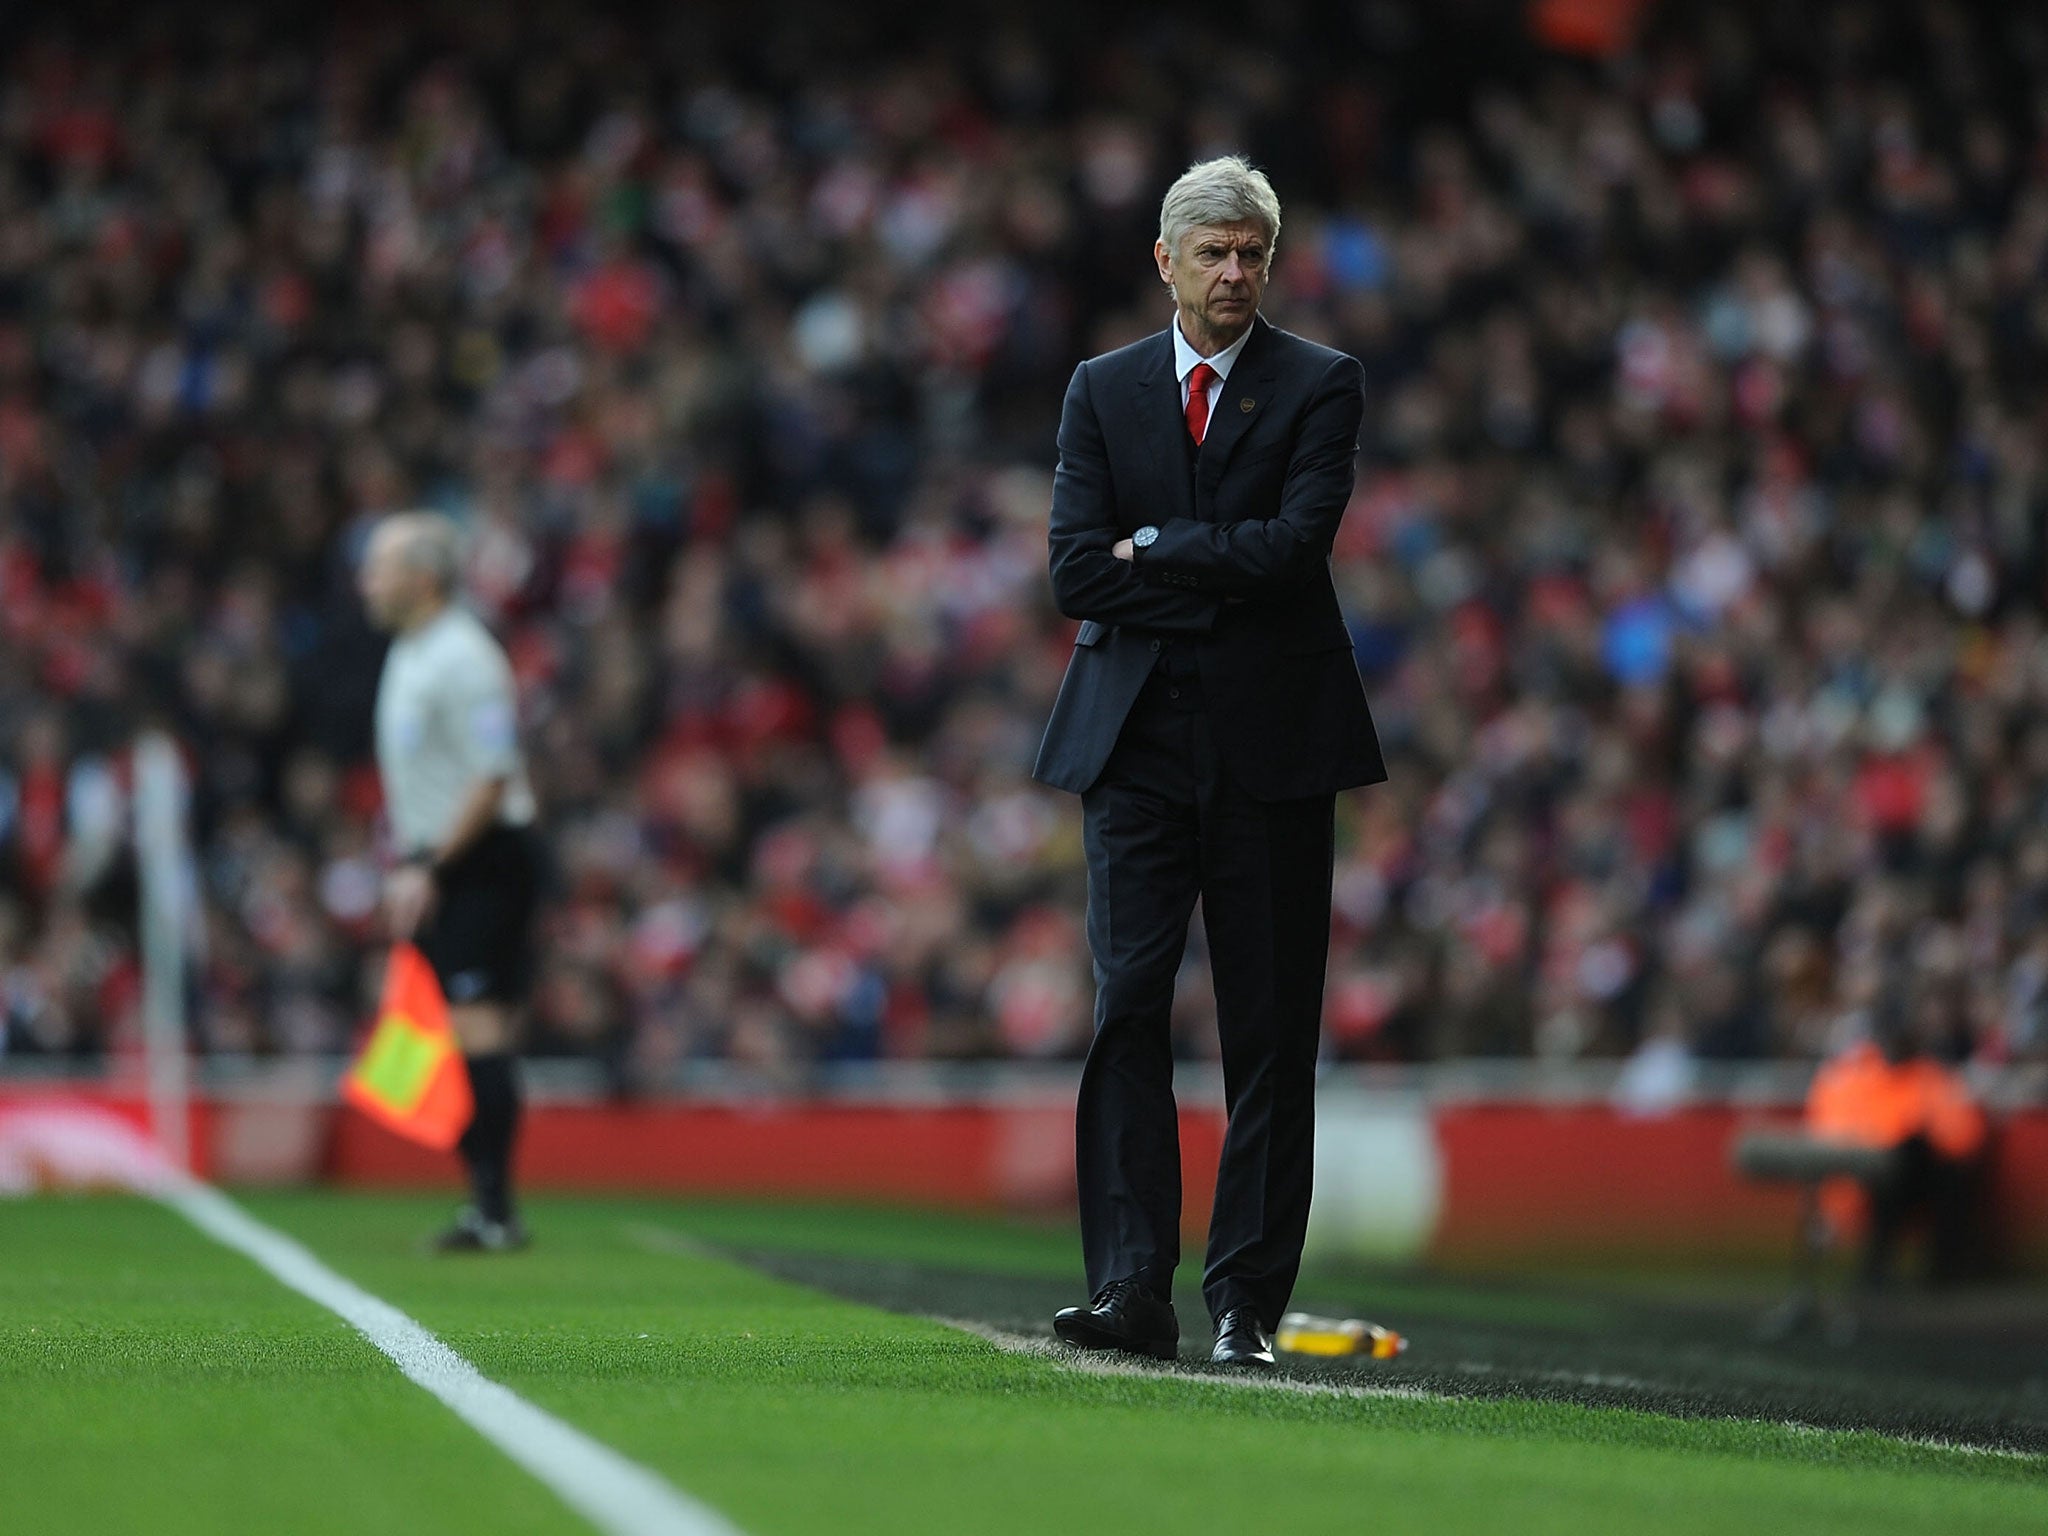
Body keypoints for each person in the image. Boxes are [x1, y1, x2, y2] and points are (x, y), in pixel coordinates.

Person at [1033, 157, 1385, 1367]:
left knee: (1268, 1033)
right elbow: (1075, 573)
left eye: (1252, 252)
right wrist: (1204, 570)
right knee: (1125, 1007)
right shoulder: (1101, 388)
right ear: (1165, 262)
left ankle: (1243, 1303)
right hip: (1132, 747)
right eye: (1214, 251)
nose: (1235, 272)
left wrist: (1156, 554)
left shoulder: (1319, 383)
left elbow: (1295, 551)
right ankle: (1132, 1286)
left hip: (1272, 750)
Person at [360, 512, 543, 1252]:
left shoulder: (467, 659)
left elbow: (493, 777)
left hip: (481, 862)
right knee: (443, 1035)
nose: (367, 581)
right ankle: (486, 1201)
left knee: (479, 1027)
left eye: (380, 566)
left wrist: (431, 866)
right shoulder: (414, 650)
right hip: (436, 861)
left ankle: (495, 1210)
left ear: (424, 578)